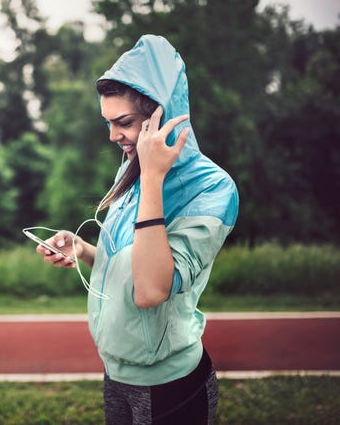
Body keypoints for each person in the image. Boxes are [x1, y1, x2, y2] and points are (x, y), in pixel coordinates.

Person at [35, 35, 239, 424]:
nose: (113, 136)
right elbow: (127, 263)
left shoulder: (213, 189)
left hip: (169, 385)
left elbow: (150, 290)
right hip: (116, 373)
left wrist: (153, 177)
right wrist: (82, 249)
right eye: (108, 123)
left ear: (161, 115)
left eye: (123, 123)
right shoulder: (130, 170)